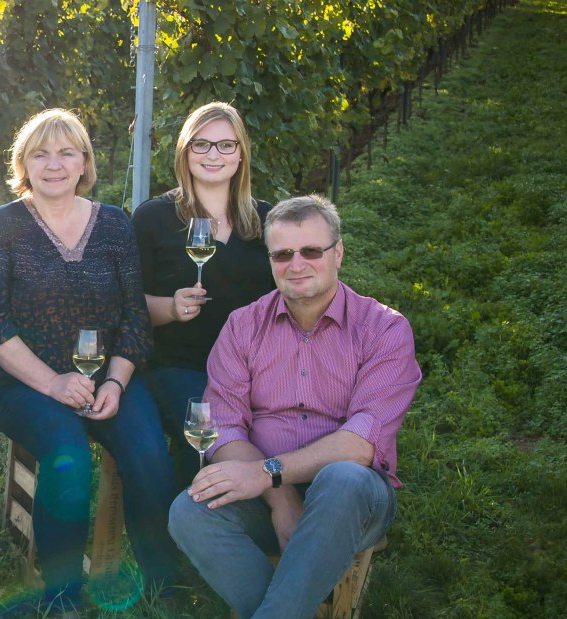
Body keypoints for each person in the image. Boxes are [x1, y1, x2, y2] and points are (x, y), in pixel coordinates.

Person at [168, 195, 422, 619]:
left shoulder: (384, 329)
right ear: (270, 260)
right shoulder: (243, 325)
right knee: (188, 512)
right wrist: (280, 498)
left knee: (343, 478)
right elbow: (225, 424)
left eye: (311, 251)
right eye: (283, 254)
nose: (297, 264)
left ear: (338, 253)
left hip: (353, 500)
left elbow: (361, 443)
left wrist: (266, 472)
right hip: (266, 495)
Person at [0, 108, 179, 610]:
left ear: (84, 161)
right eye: (40, 153)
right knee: (68, 458)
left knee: (150, 454)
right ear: (23, 164)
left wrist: (118, 383)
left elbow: (134, 315)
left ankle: (162, 585)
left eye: (66, 152)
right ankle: (62, 594)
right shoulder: (1, 227)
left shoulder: (113, 224)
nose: (54, 164)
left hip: (106, 379)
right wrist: (53, 384)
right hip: (23, 385)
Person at [131, 101, 275, 488]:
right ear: (185, 151)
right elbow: (126, 306)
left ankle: (264, 526)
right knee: (205, 437)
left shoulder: (267, 221)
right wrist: (172, 308)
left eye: (226, 145)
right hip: (180, 366)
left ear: (241, 153)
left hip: (253, 371)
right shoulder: (153, 219)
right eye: (202, 145)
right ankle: (192, 530)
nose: (214, 155)